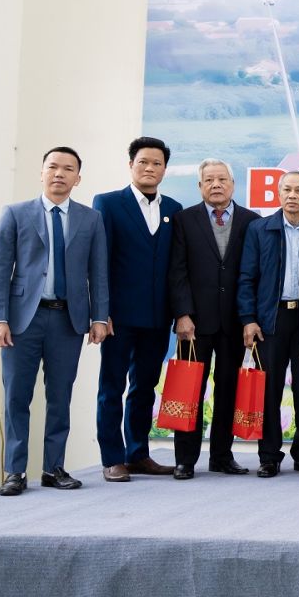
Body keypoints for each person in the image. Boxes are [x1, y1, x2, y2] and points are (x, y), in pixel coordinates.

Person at [0, 146, 110, 496]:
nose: (59, 173)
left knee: (60, 396)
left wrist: (99, 317)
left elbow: (98, 272)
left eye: (68, 169)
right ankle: (15, 471)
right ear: (41, 172)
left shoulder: (90, 219)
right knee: (17, 397)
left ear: (77, 178)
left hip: (68, 320)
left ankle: (53, 468)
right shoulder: (15, 213)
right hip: (21, 320)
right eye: (53, 167)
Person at [91, 136, 183, 482]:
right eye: (143, 162)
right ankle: (112, 458)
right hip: (118, 317)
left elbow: (176, 266)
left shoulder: (174, 208)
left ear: (164, 169)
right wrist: (101, 312)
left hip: (157, 317)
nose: (149, 168)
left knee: (145, 387)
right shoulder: (108, 203)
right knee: (112, 388)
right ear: (131, 165)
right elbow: (99, 261)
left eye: (157, 163)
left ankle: (138, 454)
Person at [167, 158, 260, 479]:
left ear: (233, 184)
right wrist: (182, 314)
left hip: (234, 321)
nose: (216, 185)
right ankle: (185, 459)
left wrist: (250, 318)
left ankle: (221, 455)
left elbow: (254, 274)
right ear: (200, 186)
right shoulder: (184, 220)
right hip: (194, 323)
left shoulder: (251, 221)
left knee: (229, 389)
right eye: (209, 180)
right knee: (188, 390)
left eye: (222, 179)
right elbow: (176, 271)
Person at [238, 170, 299, 477]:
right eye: (287, 189)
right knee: (269, 390)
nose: (292, 195)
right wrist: (249, 319)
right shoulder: (259, 229)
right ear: (278, 194)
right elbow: (246, 277)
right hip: (271, 319)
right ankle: (268, 456)